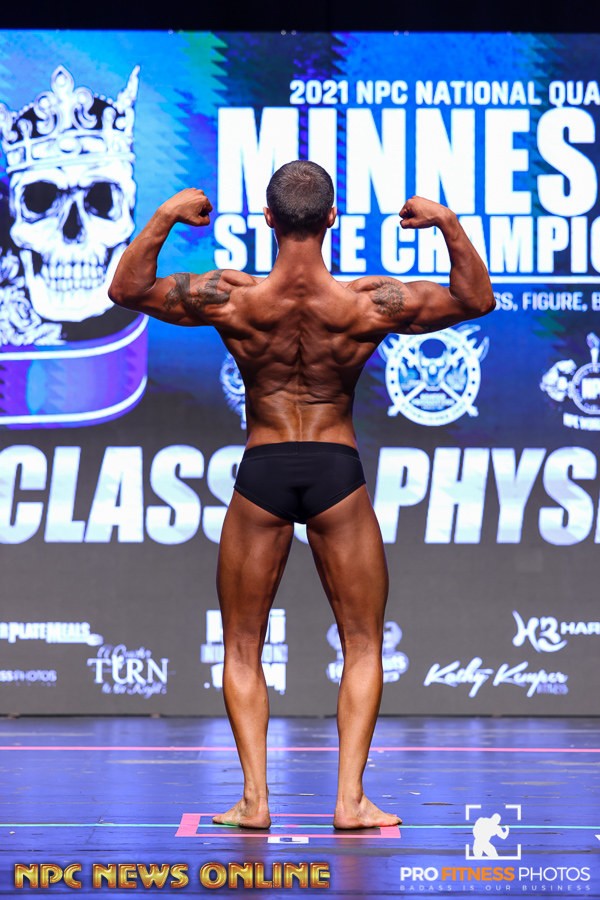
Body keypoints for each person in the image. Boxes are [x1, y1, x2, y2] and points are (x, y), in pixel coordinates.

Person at [109, 160, 495, 830]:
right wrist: (447, 224)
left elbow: (127, 289)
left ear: (267, 219)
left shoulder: (233, 298)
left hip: (262, 469)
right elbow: (476, 299)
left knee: (241, 646)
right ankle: (349, 801)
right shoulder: (365, 303)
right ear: (332, 218)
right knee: (363, 643)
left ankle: (255, 801)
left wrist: (168, 215)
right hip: (334, 469)